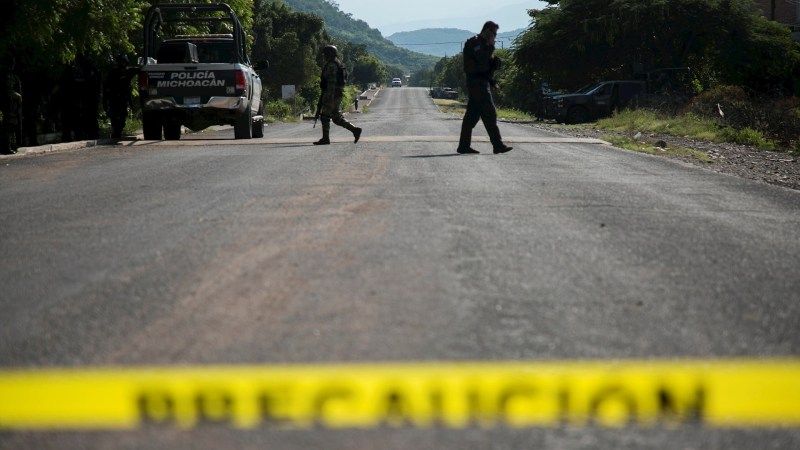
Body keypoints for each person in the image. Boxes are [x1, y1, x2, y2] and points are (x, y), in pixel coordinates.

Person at [456, 21, 512, 155]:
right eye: (494, 34)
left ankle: (463, 146)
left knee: (471, 117)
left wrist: (493, 72)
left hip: (480, 83)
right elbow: (481, 65)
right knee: (490, 114)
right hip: (477, 84)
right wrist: (491, 51)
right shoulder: (476, 44)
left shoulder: (483, 45)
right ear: (487, 31)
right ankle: (497, 145)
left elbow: (485, 68)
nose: (495, 37)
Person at [314, 45, 362, 146]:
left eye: (326, 54)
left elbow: (331, 82)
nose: (324, 56)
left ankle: (325, 138)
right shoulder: (337, 63)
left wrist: (328, 97)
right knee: (336, 118)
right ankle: (355, 130)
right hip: (336, 94)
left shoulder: (332, 65)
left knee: (324, 116)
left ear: (330, 54)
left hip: (332, 94)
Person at [104, 54, 137, 140]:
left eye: (123, 62)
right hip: (114, 97)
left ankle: (117, 132)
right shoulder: (112, 73)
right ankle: (115, 132)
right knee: (114, 117)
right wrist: (105, 101)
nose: (122, 64)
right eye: (121, 62)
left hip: (122, 98)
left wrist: (131, 103)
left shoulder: (127, 72)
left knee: (121, 118)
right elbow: (106, 87)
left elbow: (137, 70)